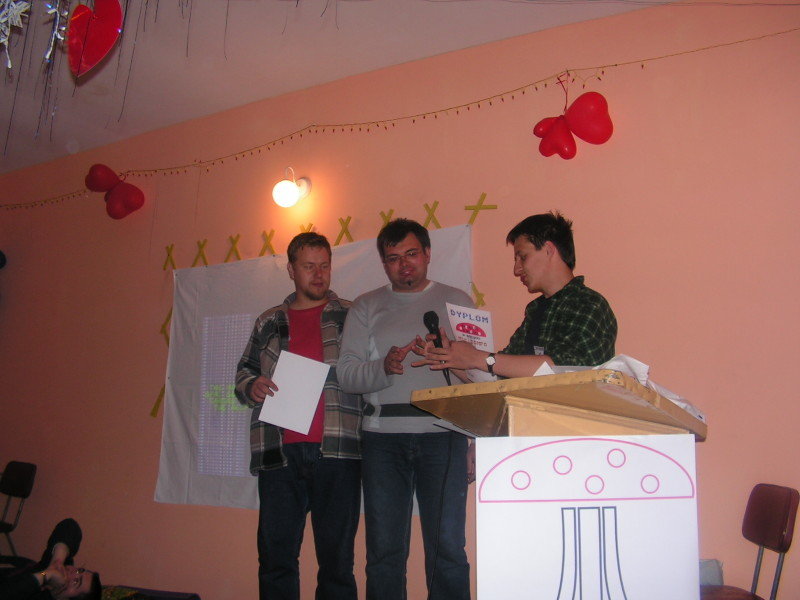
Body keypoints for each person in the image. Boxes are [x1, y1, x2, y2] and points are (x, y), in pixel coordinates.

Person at [336, 218, 473, 600]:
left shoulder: (458, 302)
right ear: (384, 263)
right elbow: (346, 375)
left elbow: (482, 377)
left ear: (428, 253)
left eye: (411, 254)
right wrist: (384, 367)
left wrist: (450, 356)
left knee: (448, 551)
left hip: (445, 437)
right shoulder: (365, 305)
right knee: (384, 554)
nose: (404, 264)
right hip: (383, 442)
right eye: (393, 258)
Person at [234, 232, 362, 600]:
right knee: (275, 560)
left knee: (337, 563)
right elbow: (243, 372)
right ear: (291, 269)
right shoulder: (268, 321)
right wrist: (251, 385)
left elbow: (369, 375)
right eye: (309, 267)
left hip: (338, 452)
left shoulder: (353, 315)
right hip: (279, 454)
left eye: (324, 266)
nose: (319, 274)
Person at [417, 211, 617, 376]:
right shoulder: (535, 309)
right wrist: (449, 357)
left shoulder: (588, 304)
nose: (516, 269)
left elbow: (570, 370)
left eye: (523, 257)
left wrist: (478, 358)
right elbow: (498, 375)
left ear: (548, 250)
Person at [0, 518, 101, 600]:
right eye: (80, 570)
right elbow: (70, 526)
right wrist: (57, 561)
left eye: (76, 582)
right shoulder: (53, 568)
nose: (73, 571)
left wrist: (45, 575)